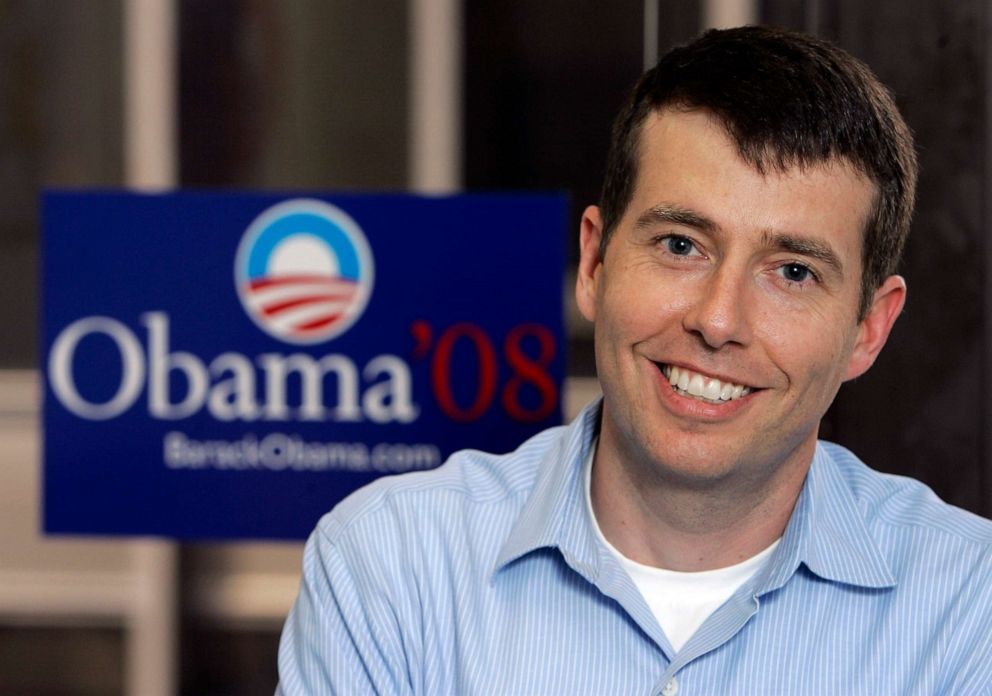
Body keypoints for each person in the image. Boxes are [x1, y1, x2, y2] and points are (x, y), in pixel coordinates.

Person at [277, 26, 992, 695]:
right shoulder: (392, 565)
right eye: (681, 245)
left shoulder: (967, 606)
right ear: (593, 261)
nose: (717, 320)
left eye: (794, 272)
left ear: (869, 328)